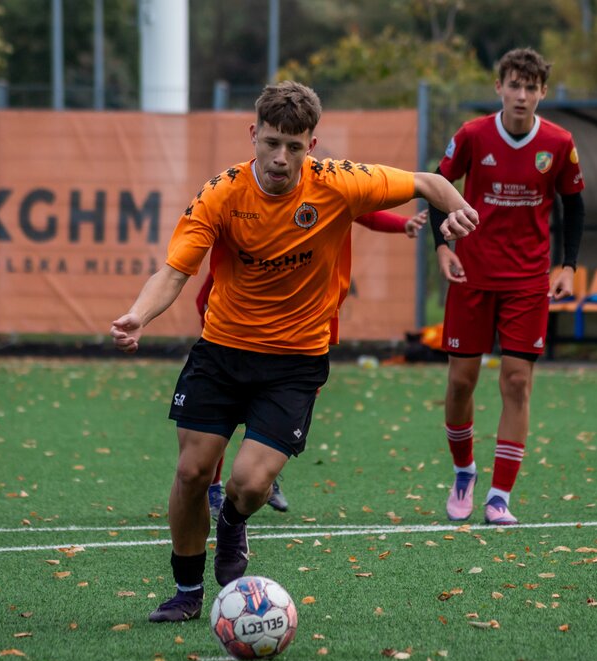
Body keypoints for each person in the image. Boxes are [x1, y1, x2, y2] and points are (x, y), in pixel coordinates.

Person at [111, 81, 477, 623]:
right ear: (253, 135)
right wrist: (139, 315)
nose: (281, 157)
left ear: (312, 144)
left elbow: (428, 182)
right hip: (221, 352)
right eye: (272, 143)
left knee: (250, 484)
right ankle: (187, 592)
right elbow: (174, 271)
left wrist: (459, 208)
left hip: (295, 362)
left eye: (294, 146)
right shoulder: (222, 194)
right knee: (191, 473)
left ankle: (233, 522)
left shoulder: (338, 182)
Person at [430, 47, 585, 526]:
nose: (521, 95)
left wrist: (568, 266)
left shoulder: (559, 143)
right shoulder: (473, 135)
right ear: (499, 87)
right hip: (472, 276)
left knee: (517, 382)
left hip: (527, 281)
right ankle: (464, 472)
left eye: (530, 87)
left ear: (543, 92)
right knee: (461, 382)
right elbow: (437, 185)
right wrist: (442, 248)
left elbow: (574, 205)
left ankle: (499, 497)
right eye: (513, 85)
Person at [197, 209, 428, 518]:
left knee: (272, 411)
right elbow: (203, 295)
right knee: (223, 413)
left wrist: (404, 223)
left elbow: (363, 208)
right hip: (242, 333)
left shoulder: (330, 193)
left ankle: (261, 470)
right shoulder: (243, 204)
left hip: (304, 334)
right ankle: (214, 486)